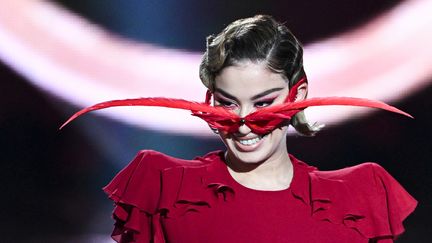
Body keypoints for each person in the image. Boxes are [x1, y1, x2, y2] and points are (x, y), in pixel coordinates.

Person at [64, 15, 417, 242]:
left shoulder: (355, 199)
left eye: (263, 103)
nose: (244, 123)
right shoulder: (164, 189)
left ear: (300, 95)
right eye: (228, 102)